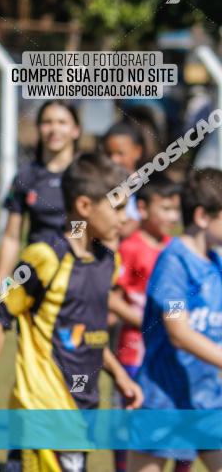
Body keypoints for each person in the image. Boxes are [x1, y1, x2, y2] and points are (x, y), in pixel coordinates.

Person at [0, 153, 143, 472]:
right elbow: (0, 317)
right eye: (119, 207)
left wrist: (120, 376)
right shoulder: (44, 258)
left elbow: (90, 334)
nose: (125, 218)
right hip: (39, 407)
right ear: (85, 206)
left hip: (81, 408)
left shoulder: (108, 262)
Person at [0, 100, 80, 415]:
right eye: (47, 121)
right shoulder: (26, 176)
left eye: (61, 122)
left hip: (72, 281)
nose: (53, 129)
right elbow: (11, 236)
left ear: (75, 130)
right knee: (20, 346)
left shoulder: (85, 175)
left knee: (68, 359)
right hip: (32, 279)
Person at [128, 169, 222, 472]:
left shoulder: (216, 263)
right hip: (162, 400)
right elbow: (179, 332)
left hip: (205, 398)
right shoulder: (174, 263)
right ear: (202, 217)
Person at [107, 175, 185, 472]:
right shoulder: (130, 247)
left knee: (175, 421)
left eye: (176, 209)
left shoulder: (178, 249)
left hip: (171, 357)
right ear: (142, 208)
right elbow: (112, 299)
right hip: (133, 354)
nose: (172, 217)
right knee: (130, 421)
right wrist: (148, 320)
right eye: (165, 208)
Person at [103, 121, 148, 238]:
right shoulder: (97, 185)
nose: (114, 160)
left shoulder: (149, 187)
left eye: (120, 153)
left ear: (137, 151)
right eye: (109, 154)